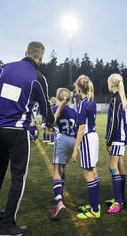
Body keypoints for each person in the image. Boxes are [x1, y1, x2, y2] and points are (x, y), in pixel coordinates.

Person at [0, 41, 54, 236]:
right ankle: (6, 227)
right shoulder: (38, 76)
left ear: (25, 52)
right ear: (41, 58)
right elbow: (45, 108)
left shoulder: (6, 68)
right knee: (18, 176)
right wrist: (51, 121)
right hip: (17, 130)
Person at [71, 75, 101, 219]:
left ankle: (95, 210)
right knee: (93, 172)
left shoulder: (84, 103)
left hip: (87, 139)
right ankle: (95, 205)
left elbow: (81, 128)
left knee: (88, 174)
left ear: (78, 88)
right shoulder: (90, 100)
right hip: (93, 137)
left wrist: (75, 149)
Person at [50, 88, 77, 220]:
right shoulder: (73, 110)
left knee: (56, 170)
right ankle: (61, 194)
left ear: (58, 97)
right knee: (62, 168)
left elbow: (49, 126)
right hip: (73, 140)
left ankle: (59, 201)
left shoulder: (55, 109)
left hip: (62, 139)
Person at [105, 73, 127, 214]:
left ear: (110, 85)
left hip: (117, 138)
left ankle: (118, 202)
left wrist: (109, 141)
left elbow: (114, 122)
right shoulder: (122, 98)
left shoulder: (116, 99)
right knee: (120, 164)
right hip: (121, 138)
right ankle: (120, 198)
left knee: (112, 165)